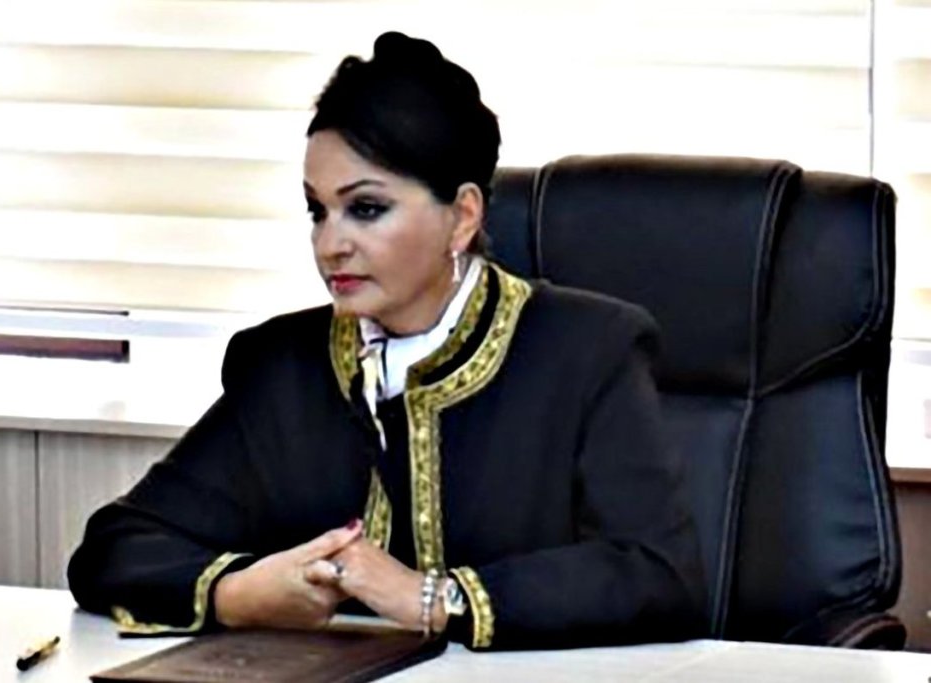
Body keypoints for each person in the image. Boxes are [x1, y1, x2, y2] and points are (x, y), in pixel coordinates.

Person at [68, 31, 707, 651]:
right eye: (317, 210)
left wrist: (436, 598)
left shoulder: (588, 349)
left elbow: (659, 575)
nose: (330, 244)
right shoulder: (281, 364)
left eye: (366, 209)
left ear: (462, 216)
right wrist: (239, 593)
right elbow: (115, 547)